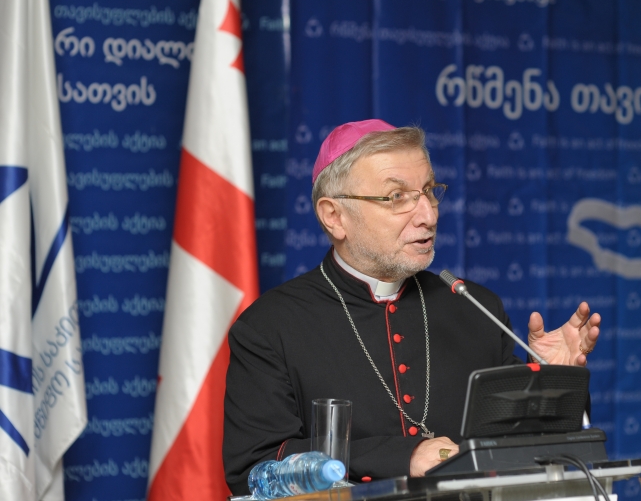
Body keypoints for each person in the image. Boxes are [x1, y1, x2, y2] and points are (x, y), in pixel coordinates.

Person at [223, 119, 601, 495]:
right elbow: (257, 467)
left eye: (429, 192)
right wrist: (405, 456)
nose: (429, 215)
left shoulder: (474, 307)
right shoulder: (270, 326)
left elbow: (522, 450)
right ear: (334, 217)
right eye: (397, 197)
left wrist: (555, 385)